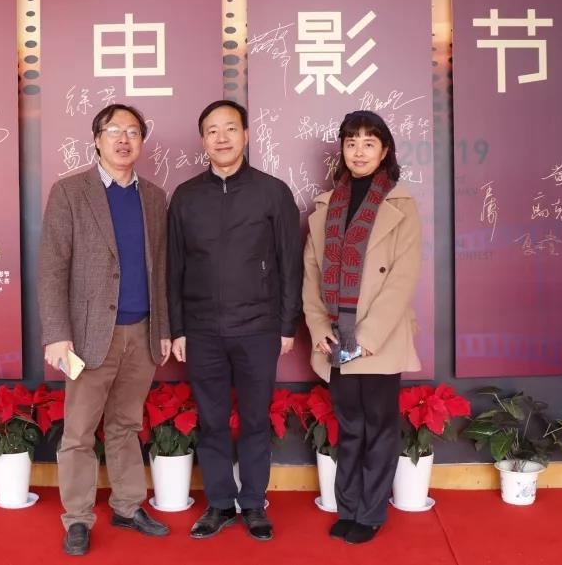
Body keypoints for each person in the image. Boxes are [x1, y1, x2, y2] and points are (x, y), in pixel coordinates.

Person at [39, 104, 172, 557]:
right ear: (96, 139)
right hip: (89, 336)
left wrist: (163, 328)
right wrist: (57, 334)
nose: (123, 139)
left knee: (126, 425)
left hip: (142, 332)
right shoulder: (70, 192)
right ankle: (77, 517)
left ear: (142, 141)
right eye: (114, 130)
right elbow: (52, 268)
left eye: (133, 132)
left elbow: (160, 269)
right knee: (79, 432)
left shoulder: (153, 196)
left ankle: (128, 506)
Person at [167, 100, 302, 541]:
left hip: (259, 328)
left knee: (256, 419)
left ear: (246, 134)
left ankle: (254, 504)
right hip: (201, 329)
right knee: (211, 419)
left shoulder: (272, 192)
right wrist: (178, 328)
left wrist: (286, 325)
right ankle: (220, 503)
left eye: (230, 128)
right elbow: (174, 267)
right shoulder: (185, 196)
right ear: (202, 140)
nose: (221, 138)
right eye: (212, 130)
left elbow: (289, 263)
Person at [302, 110, 422, 544]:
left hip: (378, 338)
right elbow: (311, 273)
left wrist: (368, 339)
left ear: (384, 150)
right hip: (336, 335)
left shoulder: (401, 205)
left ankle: (370, 513)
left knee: (379, 427)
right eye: (351, 142)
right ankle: (348, 506)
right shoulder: (326, 205)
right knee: (350, 426)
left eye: (369, 143)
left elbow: (402, 278)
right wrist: (319, 327)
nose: (358, 151)